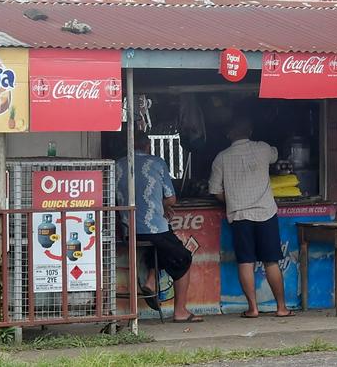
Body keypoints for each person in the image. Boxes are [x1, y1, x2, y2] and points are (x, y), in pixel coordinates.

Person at [208, 116, 294, 318]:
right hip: (265, 212)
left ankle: (253, 309)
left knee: (245, 261)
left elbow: (215, 191)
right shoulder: (263, 148)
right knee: (271, 261)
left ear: (229, 134)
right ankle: (281, 308)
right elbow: (275, 155)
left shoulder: (221, 157)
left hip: (240, 214)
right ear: (251, 131)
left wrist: (233, 199)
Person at [116, 130, 203, 323]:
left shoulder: (118, 165)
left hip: (129, 232)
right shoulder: (156, 163)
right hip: (154, 229)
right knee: (183, 256)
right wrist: (160, 206)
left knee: (160, 249)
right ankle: (180, 311)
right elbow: (171, 198)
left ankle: (150, 280)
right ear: (147, 146)